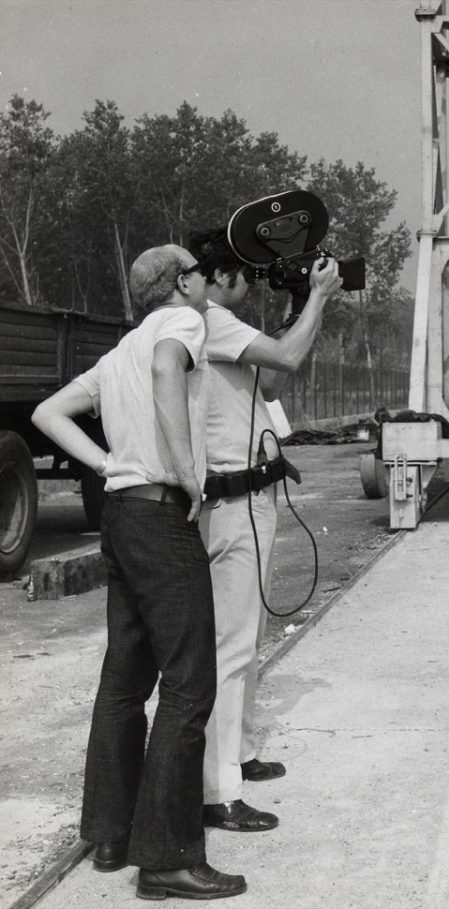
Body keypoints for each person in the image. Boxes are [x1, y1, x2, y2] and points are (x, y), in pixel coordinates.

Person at [31, 245, 247, 900]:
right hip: (159, 515)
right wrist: (184, 471)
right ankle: (169, 858)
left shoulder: (118, 349)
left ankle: (110, 832)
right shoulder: (180, 325)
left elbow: (47, 413)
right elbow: (165, 369)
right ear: (182, 283)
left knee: (125, 678)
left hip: (122, 515)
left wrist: (106, 464)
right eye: (201, 274)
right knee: (189, 684)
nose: (208, 282)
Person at [187, 228, 341, 833]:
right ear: (221, 276)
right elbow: (288, 358)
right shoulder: (211, 318)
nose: (251, 285)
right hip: (232, 501)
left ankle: (241, 753)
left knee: (245, 637)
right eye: (245, 274)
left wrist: (302, 309)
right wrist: (319, 299)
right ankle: (217, 790)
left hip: (251, 493)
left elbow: (272, 382)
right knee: (230, 645)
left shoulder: (225, 327)